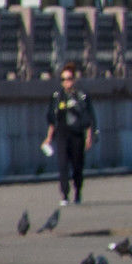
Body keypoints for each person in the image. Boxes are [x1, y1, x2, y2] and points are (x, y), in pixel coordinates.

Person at [42, 61, 96, 205]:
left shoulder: (81, 96)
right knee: (62, 164)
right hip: (62, 134)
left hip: (77, 134)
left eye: (69, 78)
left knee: (77, 165)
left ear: (74, 79)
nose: (67, 82)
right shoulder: (57, 97)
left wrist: (89, 136)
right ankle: (64, 194)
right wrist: (48, 138)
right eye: (64, 79)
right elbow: (53, 119)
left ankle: (78, 191)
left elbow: (89, 118)